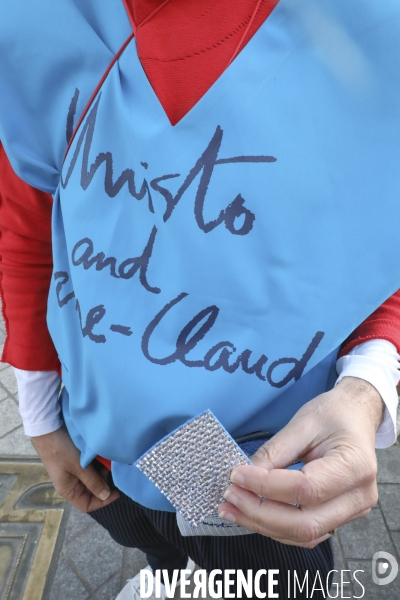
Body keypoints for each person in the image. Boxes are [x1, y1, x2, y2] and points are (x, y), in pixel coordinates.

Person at [1, 1, 400, 598]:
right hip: (104, 443)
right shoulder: (39, 21)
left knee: (267, 580)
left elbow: (380, 242)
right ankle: (172, 577)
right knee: (152, 540)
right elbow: (30, 224)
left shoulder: (373, 29)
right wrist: (39, 410)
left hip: (269, 461)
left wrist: (366, 387)